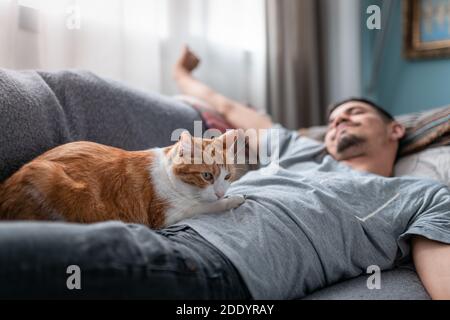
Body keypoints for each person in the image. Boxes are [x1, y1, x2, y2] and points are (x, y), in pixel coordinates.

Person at [0, 47, 448, 300]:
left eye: (353, 113)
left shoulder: (420, 193)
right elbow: (232, 109)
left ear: (394, 129)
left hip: (213, 267)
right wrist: (181, 73)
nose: (338, 122)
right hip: (153, 227)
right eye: (332, 120)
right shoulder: (297, 147)